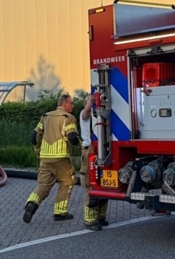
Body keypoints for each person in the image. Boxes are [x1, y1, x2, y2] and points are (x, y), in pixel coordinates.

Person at [22, 94, 81, 223]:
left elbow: (34, 136)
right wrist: (82, 147)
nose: (73, 105)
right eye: (71, 103)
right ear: (65, 104)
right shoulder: (68, 118)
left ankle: (32, 203)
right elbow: (72, 137)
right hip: (60, 158)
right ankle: (60, 213)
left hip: (45, 158)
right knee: (67, 182)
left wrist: (38, 151)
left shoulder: (45, 116)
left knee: (43, 185)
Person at [79, 95, 109, 231]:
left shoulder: (99, 115)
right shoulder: (85, 114)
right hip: (90, 150)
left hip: (102, 148)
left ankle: (101, 217)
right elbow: (85, 113)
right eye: (89, 100)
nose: (92, 102)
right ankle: (90, 220)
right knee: (90, 184)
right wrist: (90, 103)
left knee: (104, 183)